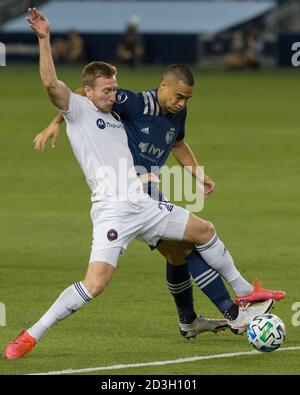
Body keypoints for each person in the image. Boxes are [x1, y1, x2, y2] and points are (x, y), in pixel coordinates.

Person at [4, 8, 278, 360]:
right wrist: (44, 40)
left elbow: (171, 140)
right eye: (106, 90)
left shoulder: (118, 117)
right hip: (112, 209)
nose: (112, 95)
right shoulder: (81, 111)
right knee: (96, 284)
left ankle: (243, 294)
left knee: (204, 230)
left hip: (145, 204)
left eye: (115, 89)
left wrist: (192, 171)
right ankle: (30, 334)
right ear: (87, 92)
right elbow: (50, 84)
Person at [32, 66, 286, 339]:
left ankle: (192, 321)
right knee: (188, 246)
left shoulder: (178, 112)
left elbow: (178, 143)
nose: (182, 103)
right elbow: (84, 94)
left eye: (187, 99)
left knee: (178, 253)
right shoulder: (136, 102)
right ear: (163, 86)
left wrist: (197, 172)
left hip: (146, 192)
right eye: (178, 96)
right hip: (128, 191)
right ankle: (236, 313)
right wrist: (55, 122)